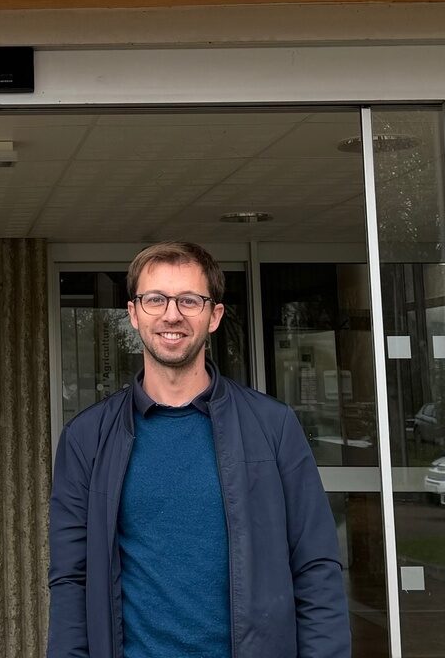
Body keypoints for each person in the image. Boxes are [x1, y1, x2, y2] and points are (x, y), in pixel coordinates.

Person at [47, 242, 349, 658]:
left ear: (214, 316)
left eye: (189, 300)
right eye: (155, 299)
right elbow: (71, 579)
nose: (172, 314)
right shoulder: (87, 439)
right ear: (134, 313)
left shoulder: (273, 427)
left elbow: (315, 567)